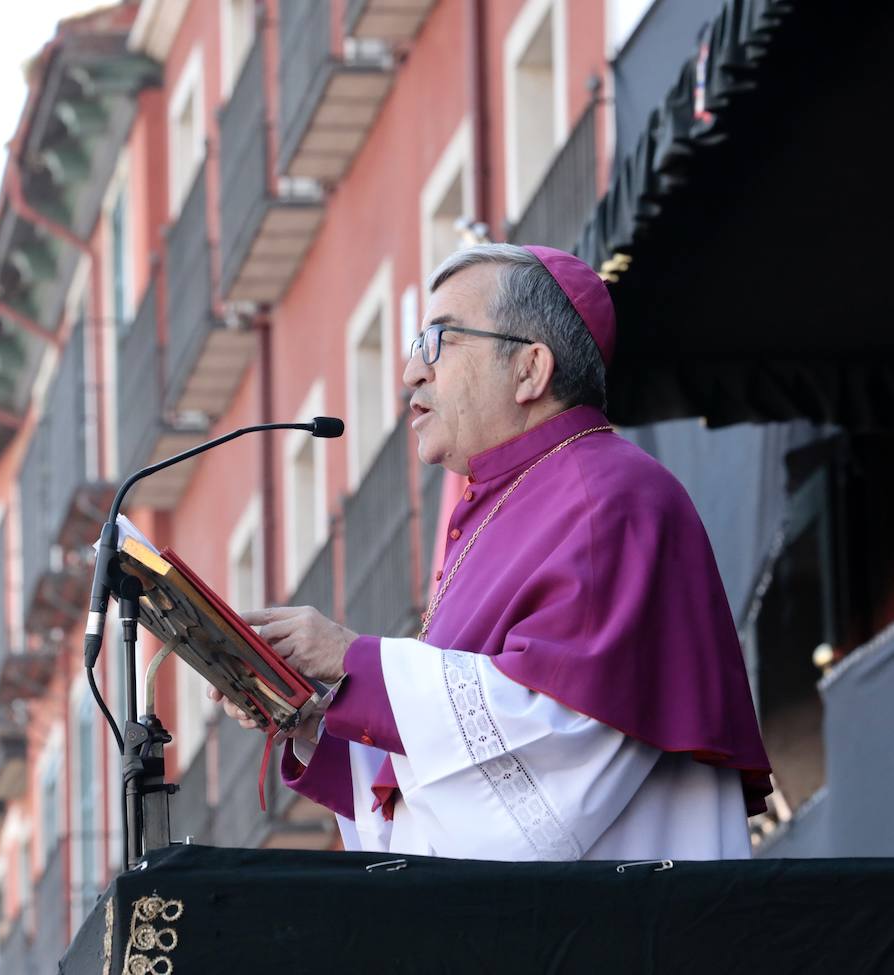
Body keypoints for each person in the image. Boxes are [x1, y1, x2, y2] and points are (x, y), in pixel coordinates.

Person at [210, 243, 771, 860]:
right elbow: (461, 776)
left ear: (530, 369)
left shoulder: (612, 497)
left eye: (439, 342)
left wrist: (352, 659)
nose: (411, 373)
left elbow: (559, 742)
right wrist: (315, 714)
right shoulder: (504, 502)